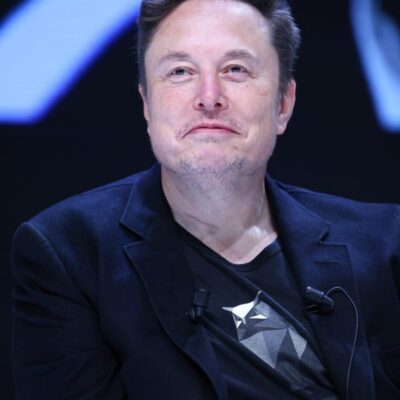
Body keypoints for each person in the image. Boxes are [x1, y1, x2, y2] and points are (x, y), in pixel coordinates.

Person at [12, 0, 400, 399]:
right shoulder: (71, 255)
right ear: (147, 105)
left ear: (283, 104)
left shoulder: (385, 245)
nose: (209, 97)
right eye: (180, 72)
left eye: (236, 70)